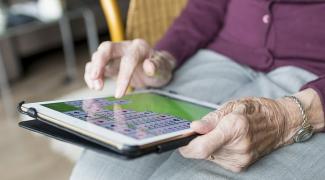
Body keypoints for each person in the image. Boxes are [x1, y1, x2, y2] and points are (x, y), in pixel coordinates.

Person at [71, 0, 325, 179]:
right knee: (98, 172)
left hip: (312, 82)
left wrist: (287, 117)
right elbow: (205, 6)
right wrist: (160, 62)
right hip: (217, 57)